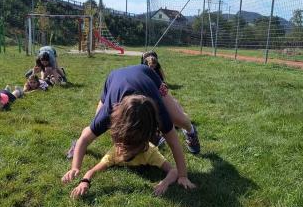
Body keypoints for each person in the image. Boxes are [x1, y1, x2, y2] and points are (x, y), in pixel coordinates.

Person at [61, 64, 200, 190]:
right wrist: (75, 167)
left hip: (147, 75)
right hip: (113, 79)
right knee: (92, 127)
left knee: (178, 118)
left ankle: (191, 130)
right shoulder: (108, 112)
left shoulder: (160, 114)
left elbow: (175, 144)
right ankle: (78, 147)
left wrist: (183, 176)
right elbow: (85, 138)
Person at [69, 97, 178, 198]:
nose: (121, 151)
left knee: (155, 136)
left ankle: (162, 133)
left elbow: (173, 171)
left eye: (126, 149)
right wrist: (85, 182)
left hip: (146, 130)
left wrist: (164, 183)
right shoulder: (115, 152)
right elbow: (93, 171)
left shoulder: (150, 152)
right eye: (120, 146)